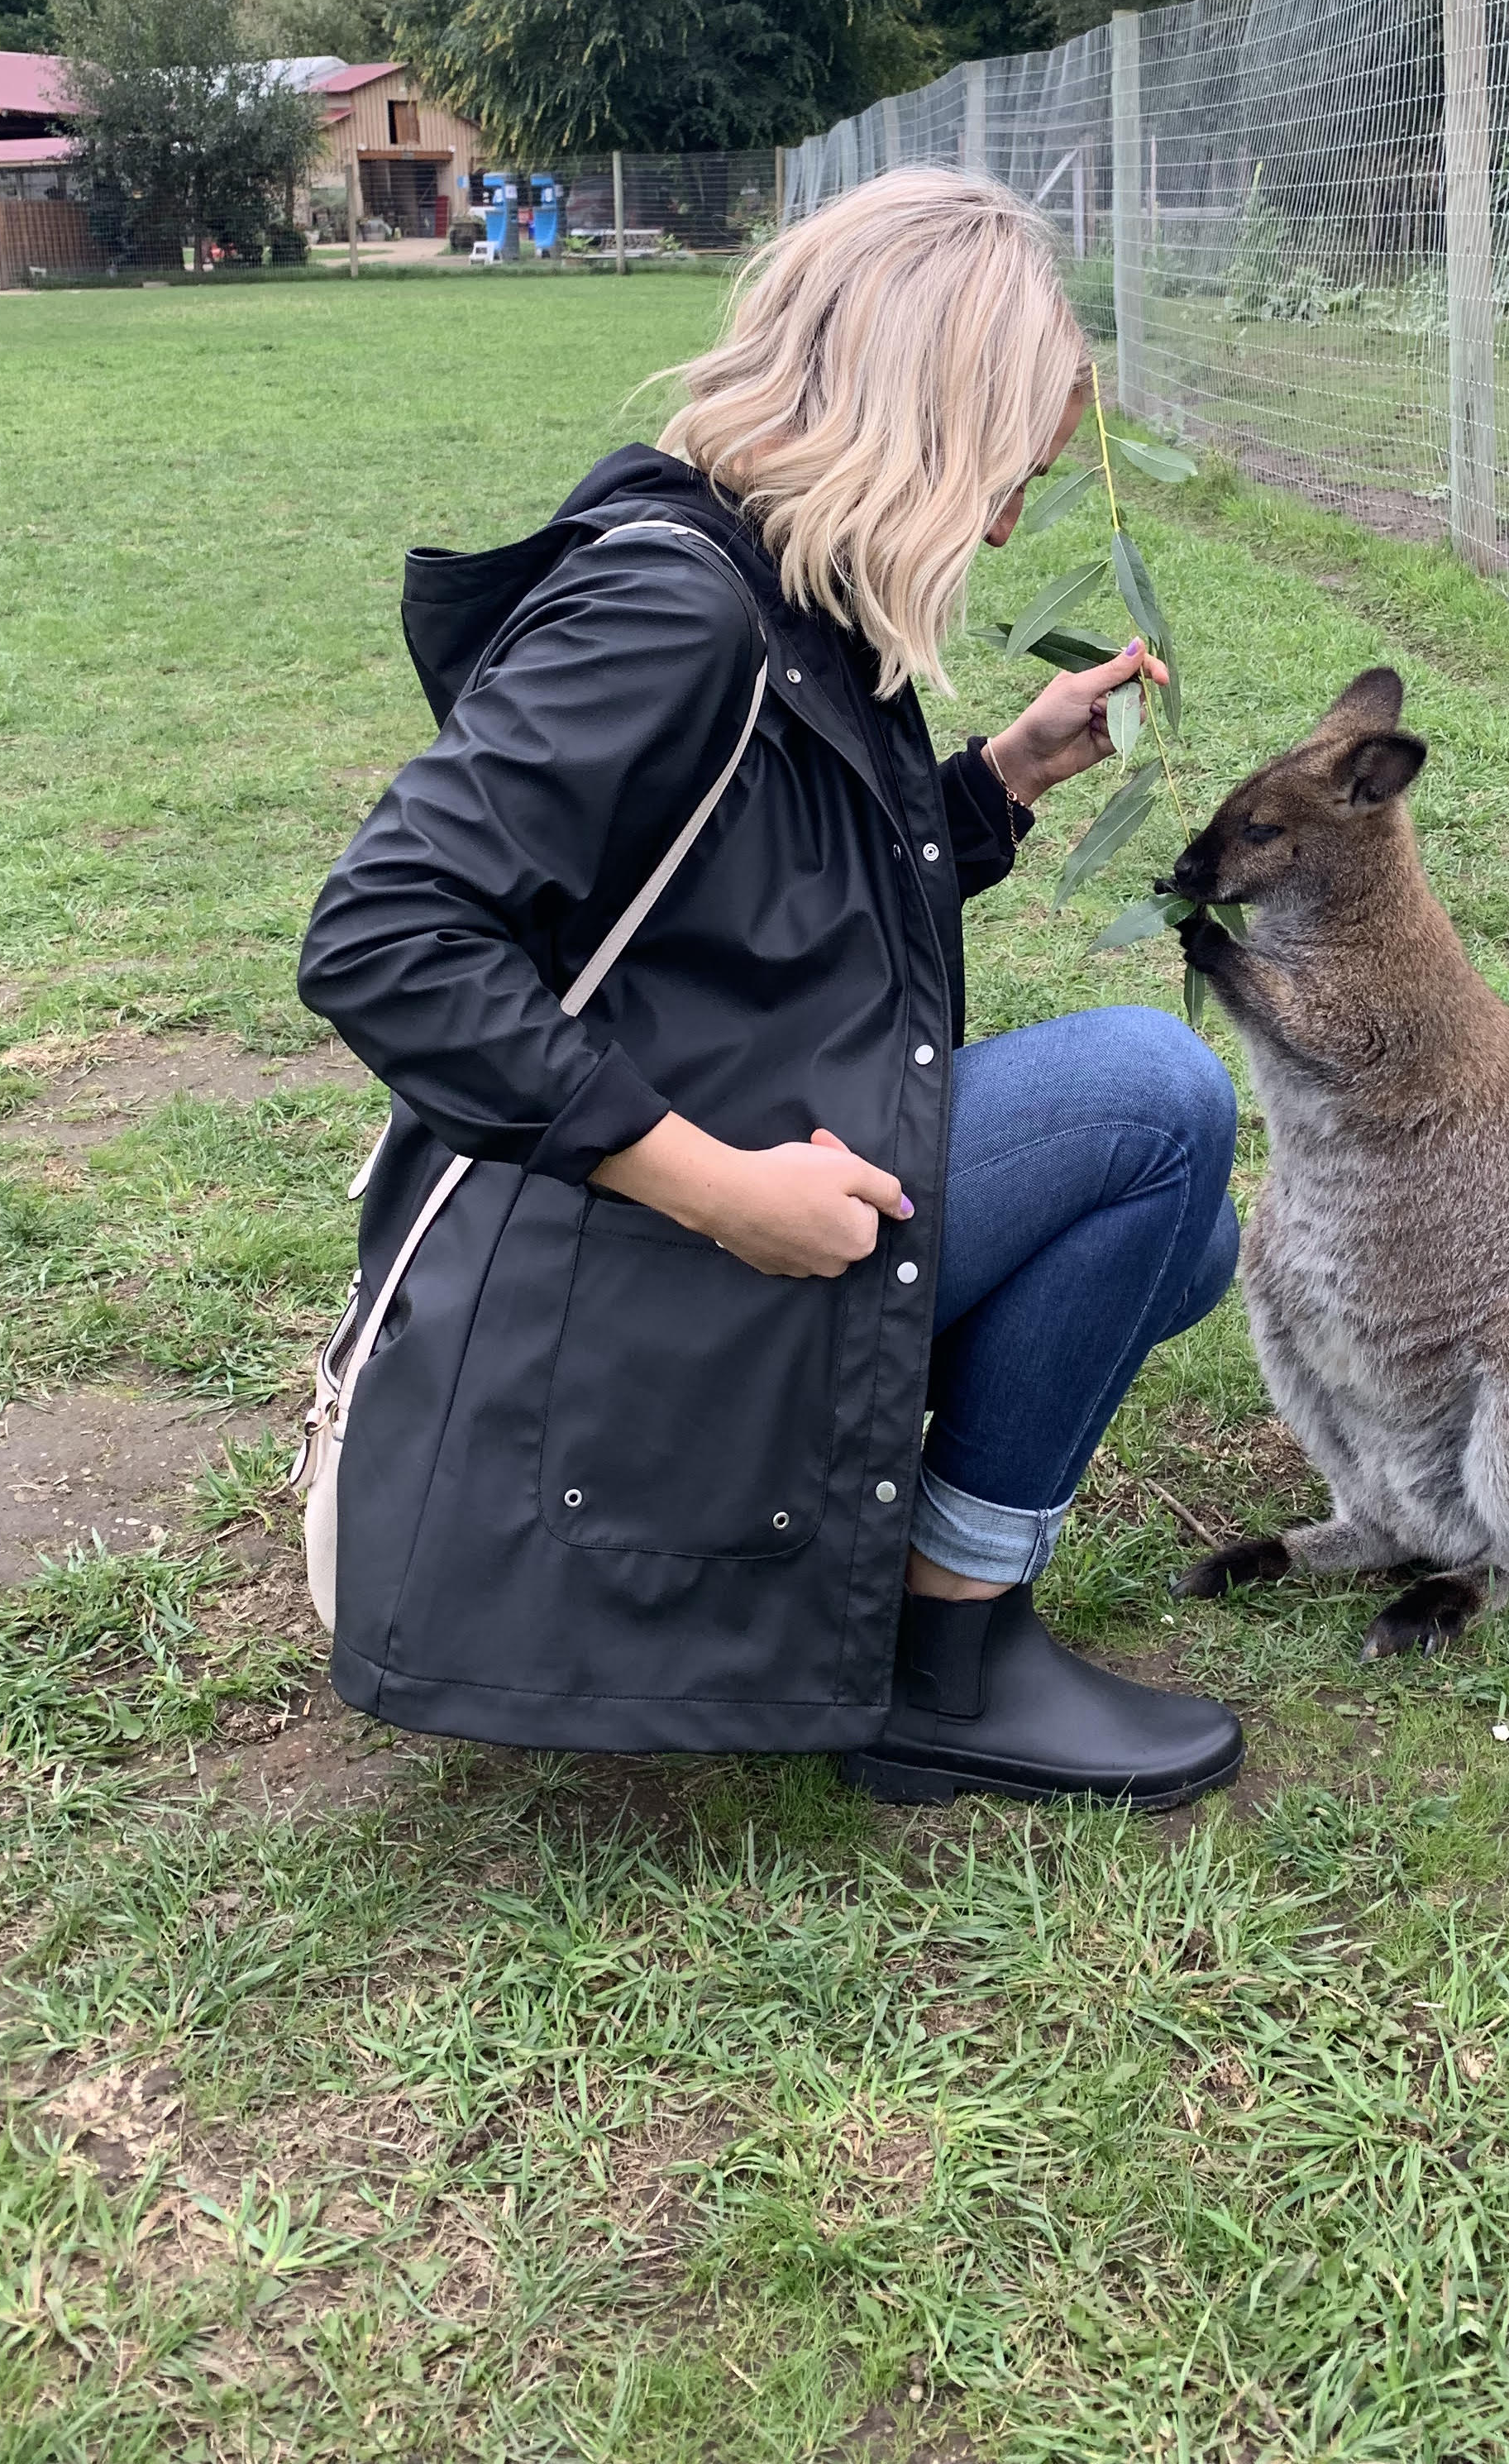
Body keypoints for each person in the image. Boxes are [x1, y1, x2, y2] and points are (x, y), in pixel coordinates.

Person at [298, 170, 1244, 1807]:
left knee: (1188, 1235)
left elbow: (754, 904)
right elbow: (383, 932)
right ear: (931, 416)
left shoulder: (781, 588)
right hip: (630, 1272)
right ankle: (946, 1657)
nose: (1017, 503)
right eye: (1013, 450)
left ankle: (904, 1583)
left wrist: (998, 782)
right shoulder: (673, 608)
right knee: (1157, 1108)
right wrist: (721, 1189)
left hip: (681, 1228)